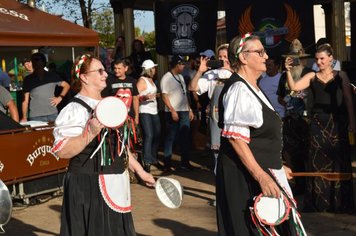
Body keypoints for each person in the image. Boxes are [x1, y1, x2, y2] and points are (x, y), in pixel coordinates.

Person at [51, 54, 155, 236]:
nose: (105, 74)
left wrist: (140, 171)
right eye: (99, 71)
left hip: (115, 182)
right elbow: (62, 151)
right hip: (88, 186)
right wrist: (89, 133)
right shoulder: (74, 109)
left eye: (104, 70)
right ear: (84, 77)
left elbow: (118, 144)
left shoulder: (108, 104)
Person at [216, 33, 300, 235]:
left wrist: (278, 166)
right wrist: (261, 176)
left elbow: (261, 137)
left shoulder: (254, 88)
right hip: (245, 178)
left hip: (263, 172)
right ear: (243, 57)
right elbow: (236, 139)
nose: (266, 56)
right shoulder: (238, 89)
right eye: (260, 52)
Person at [285, 43, 355, 213]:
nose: (319, 62)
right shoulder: (311, 76)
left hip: (338, 123)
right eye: (317, 59)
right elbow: (294, 88)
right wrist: (287, 70)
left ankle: (341, 203)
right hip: (317, 124)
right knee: (317, 162)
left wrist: (353, 121)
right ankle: (318, 202)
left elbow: (348, 100)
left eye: (322, 58)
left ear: (331, 58)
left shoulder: (342, 76)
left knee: (339, 162)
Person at [277, 39, 314, 195]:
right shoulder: (284, 76)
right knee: (291, 154)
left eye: (297, 57)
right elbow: (280, 96)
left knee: (309, 154)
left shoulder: (309, 73)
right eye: (292, 57)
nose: (295, 61)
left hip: (307, 120)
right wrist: (286, 102)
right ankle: (299, 185)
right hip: (291, 119)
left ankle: (311, 187)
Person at [189, 44, 232, 174]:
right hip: (217, 117)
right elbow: (192, 87)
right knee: (217, 152)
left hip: (233, 117)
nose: (223, 59)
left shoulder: (238, 72)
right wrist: (200, 71)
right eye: (220, 56)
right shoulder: (212, 74)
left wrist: (231, 70)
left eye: (226, 56)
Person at [161, 55, 194, 171]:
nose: (183, 66)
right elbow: (164, 95)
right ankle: (167, 164)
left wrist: (189, 108)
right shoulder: (166, 78)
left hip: (184, 110)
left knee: (185, 137)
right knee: (171, 137)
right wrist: (172, 110)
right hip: (173, 111)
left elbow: (185, 94)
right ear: (176, 65)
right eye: (181, 64)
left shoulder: (180, 77)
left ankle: (185, 163)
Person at [21, 52, 70, 122]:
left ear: (43, 62)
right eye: (34, 61)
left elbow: (67, 85)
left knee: (54, 133)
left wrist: (60, 98)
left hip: (52, 114)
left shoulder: (52, 75)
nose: (36, 62)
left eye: (38, 60)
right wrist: (24, 117)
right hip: (36, 116)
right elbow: (25, 101)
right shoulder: (28, 79)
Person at [136, 59, 161, 173]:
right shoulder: (142, 80)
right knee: (149, 135)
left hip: (153, 110)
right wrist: (144, 98)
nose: (155, 69)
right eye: (154, 68)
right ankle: (147, 161)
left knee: (157, 134)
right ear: (149, 69)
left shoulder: (151, 80)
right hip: (144, 110)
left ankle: (152, 157)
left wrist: (158, 95)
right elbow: (135, 96)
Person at [102, 58, 140, 125]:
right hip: (114, 117)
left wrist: (137, 116)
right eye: (115, 68)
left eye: (119, 68)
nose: (116, 71)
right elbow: (104, 99)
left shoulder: (132, 81)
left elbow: (135, 99)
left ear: (126, 68)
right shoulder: (109, 81)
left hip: (129, 117)